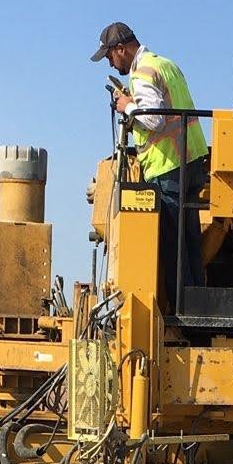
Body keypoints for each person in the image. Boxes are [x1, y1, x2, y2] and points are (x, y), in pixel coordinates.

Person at [91, 21, 209, 300]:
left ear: (121, 49)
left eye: (109, 56)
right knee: (190, 242)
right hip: (192, 160)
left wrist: (127, 106)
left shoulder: (142, 73)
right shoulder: (165, 64)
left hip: (167, 166)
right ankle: (197, 304)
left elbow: (154, 119)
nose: (110, 64)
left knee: (171, 245)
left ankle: (182, 309)